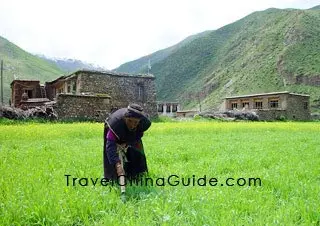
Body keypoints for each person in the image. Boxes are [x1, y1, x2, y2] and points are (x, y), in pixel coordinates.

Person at [103, 104, 151, 183]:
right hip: (115, 131)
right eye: (129, 121)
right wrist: (117, 165)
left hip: (132, 135)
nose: (132, 125)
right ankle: (112, 178)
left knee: (136, 150)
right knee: (112, 160)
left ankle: (136, 175)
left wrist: (127, 143)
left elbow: (138, 136)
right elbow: (110, 145)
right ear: (125, 118)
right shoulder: (115, 123)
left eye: (136, 122)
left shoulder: (143, 123)